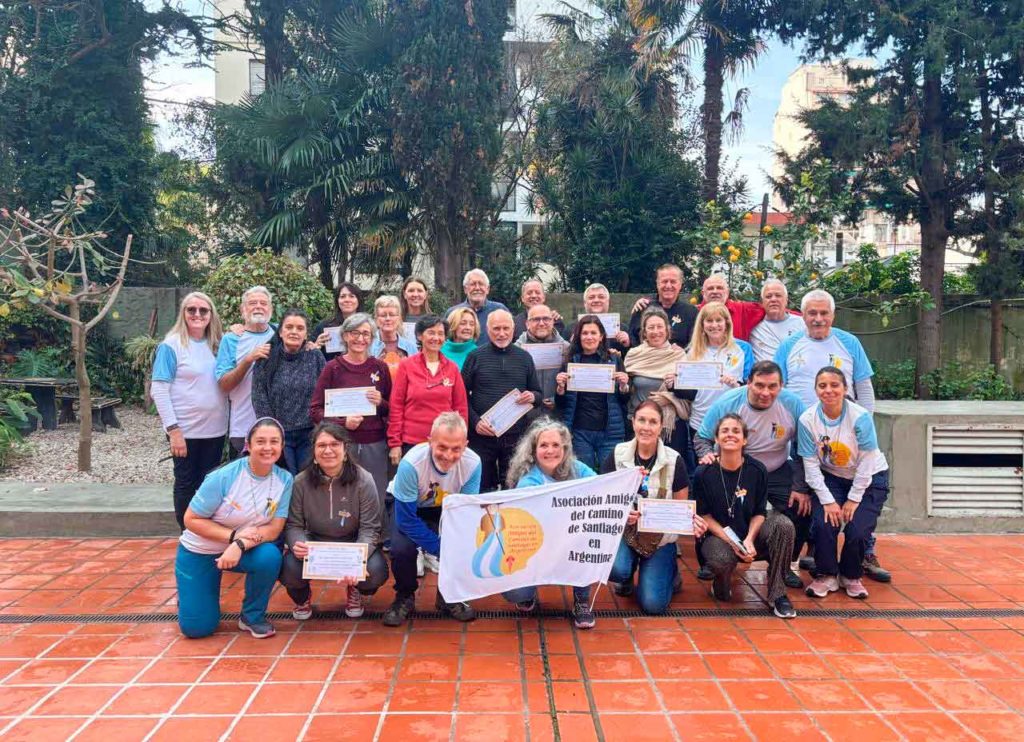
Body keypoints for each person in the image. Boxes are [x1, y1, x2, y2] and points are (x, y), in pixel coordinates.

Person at [774, 288, 889, 583]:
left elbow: (863, 388)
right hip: (804, 436)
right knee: (810, 497)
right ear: (803, 316)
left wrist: (863, 427)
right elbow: (777, 389)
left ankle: (865, 551)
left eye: (824, 313)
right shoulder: (789, 346)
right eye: (812, 313)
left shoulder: (849, 343)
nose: (818, 318)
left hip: (845, 439)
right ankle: (816, 554)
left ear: (833, 315)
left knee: (857, 496)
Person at [695, 361, 810, 589]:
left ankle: (783, 566)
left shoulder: (793, 404)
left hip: (775, 468)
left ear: (781, 386)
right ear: (748, 383)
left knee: (801, 508)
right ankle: (716, 559)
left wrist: (800, 487)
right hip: (735, 468)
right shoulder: (728, 402)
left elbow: (803, 448)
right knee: (719, 510)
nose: (765, 392)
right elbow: (702, 437)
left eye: (772, 386)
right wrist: (707, 454)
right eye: (759, 385)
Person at [174, 418, 293, 639]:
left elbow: (273, 530)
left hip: (242, 549)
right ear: (248, 444)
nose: (268, 447)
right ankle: (192, 597)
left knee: (269, 556)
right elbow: (191, 519)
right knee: (197, 629)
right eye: (261, 441)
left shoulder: (284, 480)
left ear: (282, 446)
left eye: (274, 442)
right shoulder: (224, 476)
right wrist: (232, 536)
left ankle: (252, 617)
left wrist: (238, 544)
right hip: (200, 550)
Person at [602, 400, 706, 615]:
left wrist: (691, 522)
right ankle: (627, 574)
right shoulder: (617, 455)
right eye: (641, 420)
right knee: (615, 570)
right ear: (633, 422)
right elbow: (602, 502)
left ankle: (669, 572)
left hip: (660, 540)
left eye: (653, 422)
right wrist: (621, 514)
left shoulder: (675, 460)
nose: (646, 427)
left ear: (661, 427)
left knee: (653, 605)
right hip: (626, 535)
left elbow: (681, 507)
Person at [693, 413, 797, 619]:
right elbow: (703, 515)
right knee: (721, 559)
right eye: (725, 431)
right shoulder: (704, 473)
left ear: (745, 439)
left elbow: (760, 512)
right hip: (719, 537)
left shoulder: (757, 470)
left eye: (736, 431)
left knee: (784, 525)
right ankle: (720, 582)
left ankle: (778, 594)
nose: (730, 435)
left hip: (751, 533)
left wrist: (748, 539)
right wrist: (733, 543)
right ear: (716, 438)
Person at [280, 422, 388, 620]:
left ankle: (355, 588)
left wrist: (356, 560)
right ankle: (302, 597)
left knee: (376, 571)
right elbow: (293, 524)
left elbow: (371, 527)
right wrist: (298, 543)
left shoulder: (364, 480)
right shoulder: (301, 482)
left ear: (345, 450)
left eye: (335, 444)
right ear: (313, 451)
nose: (328, 450)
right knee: (289, 569)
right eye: (321, 445)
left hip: (353, 543)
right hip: (315, 544)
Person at [383, 412, 482, 626]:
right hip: (409, 507)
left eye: (456, 449)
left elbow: (464, 513)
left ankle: (448, 596)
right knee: (401, 549)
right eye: (442, 447)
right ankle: (405, 595)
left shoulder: (473, 463)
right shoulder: (411, 464)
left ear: (465, 445)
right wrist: (439, 547)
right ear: (430, 442)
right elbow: (407, 520)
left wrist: (453, 545)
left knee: (462, 542)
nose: (448, 455)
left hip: (447, 508)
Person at [800, 367, 889, 600]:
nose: (828, 390)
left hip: (869, 478)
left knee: (857, 529)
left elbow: (867, 461)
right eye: (822, 385)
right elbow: (810, 465)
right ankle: (826, 574)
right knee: (822, 524)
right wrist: (828, 501)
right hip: (831, 477)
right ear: (816, 390)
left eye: (834, 385)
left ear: (845, 388)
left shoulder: (860, 417)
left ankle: (851, 575)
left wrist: (853, 499)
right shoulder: (807, 420)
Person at [501, 420, 598, 628]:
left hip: (571, 542)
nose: (550, 451)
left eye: (556, 445)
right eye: (544, 445)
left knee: (587, 536)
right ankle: (528, 592)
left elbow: (602, 487)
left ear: (565, 448)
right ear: (534, 450)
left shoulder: (576, 468)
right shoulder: (528, 481)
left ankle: (581, 600)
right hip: (537, 546)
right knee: (516, 593)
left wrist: (631, 480)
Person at [151, 292, 228, 530]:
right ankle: (187, 534)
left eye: (203, 310)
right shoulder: (171, 345)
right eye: (191, 310)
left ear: (211, 315)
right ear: (183, 314)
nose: (197, 314)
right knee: (185, 482)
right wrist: (173, 430)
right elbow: (159, 389)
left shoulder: (218, 344)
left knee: (208, 483)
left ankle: (204, 531)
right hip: (185, 431)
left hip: (215, 431)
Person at [309, 313, 392, 526]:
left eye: (366, 334)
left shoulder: (380, 368)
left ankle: (375, 539)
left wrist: (380, 402)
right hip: (341, 444)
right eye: (355, 333)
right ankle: (339, 535)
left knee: (375, 492)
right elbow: (315, 410)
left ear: (372, 338)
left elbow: (391, 409)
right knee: (341, 493)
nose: (360, 339)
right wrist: (342, 423)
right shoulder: (332, 368)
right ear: (345, 336)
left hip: (375, 443)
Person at [462, 310, 542, 491]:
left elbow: (538, 393)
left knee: (513, 486)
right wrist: (474, 423)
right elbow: (461, 396)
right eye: (496, 329)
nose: (501, 333)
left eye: (506, 328)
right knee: (482, 487)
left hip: (515, 436)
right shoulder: (475, 357)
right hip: (482, 436)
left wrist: (532, 397)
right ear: (487, 330)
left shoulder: (524, 357)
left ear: (514, 329)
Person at [252, 309, 326, 473]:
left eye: (300, 328)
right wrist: (272, 432)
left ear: (306, 335)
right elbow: (259, 397)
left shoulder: (315, 357)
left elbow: (325, 393)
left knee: (305, 482)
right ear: (280, 332)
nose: (294, 332)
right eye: (289, 327)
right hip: (278, 434)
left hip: (309, 434)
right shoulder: (266, 357)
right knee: (284, 479)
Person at [388, 315, 469, 464]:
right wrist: (395, 443)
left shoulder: (452, 368)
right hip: (412, 442)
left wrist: (460, 441)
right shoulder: (407, 365)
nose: (436, 338)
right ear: (420, 335)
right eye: (431, 332)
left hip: (445, 445)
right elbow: (396, 406)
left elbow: (460, 408)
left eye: (440, 333)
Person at [553, 315, 629, 470]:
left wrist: (624, 386)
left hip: (610, 431)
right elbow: (561, 404)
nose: (589, 337)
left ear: (601, 336)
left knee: (610, 476)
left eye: (593, 333)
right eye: (585, 333)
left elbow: (624, 399)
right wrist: (560, 388)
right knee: (583, 476)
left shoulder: (614, 359)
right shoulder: (570, 361)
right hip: (580, 432)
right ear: (578, 336)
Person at [676, 302, 754, 440]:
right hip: (699, 420)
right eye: (709, 321)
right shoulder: (692, 352)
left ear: (727, 323)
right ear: (702, 325)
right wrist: (674, 383)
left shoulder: (739, 350)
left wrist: (735, 384)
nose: (714, 325)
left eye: (719, 320)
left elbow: (746, 388)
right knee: (703, 460)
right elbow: (688, 392)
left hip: (729, 420)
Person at [215, 286, 276, 458]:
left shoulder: (281, 335)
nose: (258, 306)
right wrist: (248, 360)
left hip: (277, 428)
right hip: (242, 428)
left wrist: (310, 345)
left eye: (263, 303)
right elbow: (224, 385)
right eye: (252, 303)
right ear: (243, 310)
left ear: (270, 309)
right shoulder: (231, 339)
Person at [623, 307, 685, 419]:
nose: (656, 331)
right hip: (637, 420)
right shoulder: (634, 354)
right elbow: (624, 390)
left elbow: (690, 395)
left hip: (670, 424)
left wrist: (670, 398)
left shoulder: (679, 356)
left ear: (667, 330)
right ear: (645, 332)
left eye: (660, 327)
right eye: (651, 327)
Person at [515, 304, 570, 414]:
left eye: (546, 319)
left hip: (558, 412)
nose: (541, 323)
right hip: (527, 413)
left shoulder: (567, 348)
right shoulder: (517, 350)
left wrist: (557, 398)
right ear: (527, 324)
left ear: (553, 321)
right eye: (536, 319)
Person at [627, 264, 699, 348]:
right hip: (646, 359)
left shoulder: (691, 313)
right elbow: (632, 340)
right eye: (664, 281)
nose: (668, 286)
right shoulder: (643, 308)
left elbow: (694, 345)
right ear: (657, 284)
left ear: (680, 285)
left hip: (678, 359)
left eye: (673, 282)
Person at [444, 269, 509, 345]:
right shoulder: (453, 313)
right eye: (473, 284)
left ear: (487, 289)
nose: (477, 288)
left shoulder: (499, 310)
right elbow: (445, 339)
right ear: (465, 289)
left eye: (481, 284)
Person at [698, 274, 766, 342]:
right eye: (710, 288)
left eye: (719, 288)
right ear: (703, 293)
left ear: (727, 292)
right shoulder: (694, 313)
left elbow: (769, 309)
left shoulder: (743, 310)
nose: (715, 291)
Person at [749, 279, 804, 362]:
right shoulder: (753, 326)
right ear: (762, 302)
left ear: (786, 300)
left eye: (778, 295)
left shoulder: (802, 324)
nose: (773, 299)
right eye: (768, 296)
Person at [369, 295, 418, 380]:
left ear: (399, 318)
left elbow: (417, 377)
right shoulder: (367, 345)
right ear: (376, 319)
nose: (388, 319)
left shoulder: (410, 347)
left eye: (392, 315)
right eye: (383, 315)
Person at [313, 282, 363, 361]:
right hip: (330, 371)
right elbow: (310, 354)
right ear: (337, 301)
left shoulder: (367, 325)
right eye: (342, 296)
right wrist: (316, 346)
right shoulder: (324, 326)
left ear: (358, 300)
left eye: (351, 296)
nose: (347, 300)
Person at [582, 282, 631, 351]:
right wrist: (572, 344)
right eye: (591, 297)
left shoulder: (623, 329)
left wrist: (629, 344)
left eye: (601, 297)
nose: (596, 300)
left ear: (608, 302)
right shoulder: (572, 329)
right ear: (585, 303)